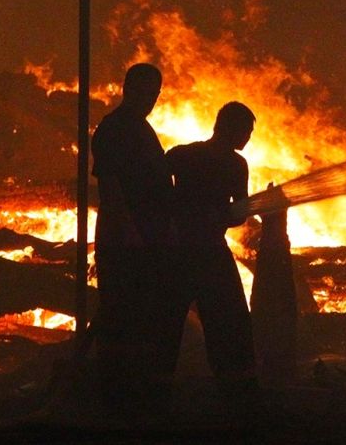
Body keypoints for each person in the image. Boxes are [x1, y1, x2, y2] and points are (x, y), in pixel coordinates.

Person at [91, 63, 176, 416]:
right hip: (125, 240)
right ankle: (116, 400)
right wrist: (128, 232)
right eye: (145, 91)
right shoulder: (114, 129)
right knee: (121, 318)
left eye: (155, 93)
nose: (150, 99)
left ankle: (136, 396)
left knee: (141, 318)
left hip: (146, 237)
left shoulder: (141, 128)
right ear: (127, 88)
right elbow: (110, 186)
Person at [166, 101, 257, 400]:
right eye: (246, 131)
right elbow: (238, 214)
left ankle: (155, 387)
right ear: (231, 128)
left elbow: (157, 191)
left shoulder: (182, 155)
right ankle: (235, 392)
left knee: (167, 322)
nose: (248, 138)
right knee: (229, 323)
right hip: (208, 252)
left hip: (178, 251)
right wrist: (220, 215)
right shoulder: (236, 165)